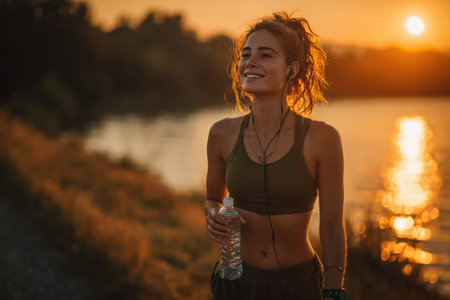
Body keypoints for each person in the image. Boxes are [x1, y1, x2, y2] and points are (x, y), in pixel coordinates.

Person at [204, 11, 346, 300]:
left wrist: (334, 287)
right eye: (246, 54)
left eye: (265, 55)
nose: (250, 62)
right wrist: (213, 215)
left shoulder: (322, 138)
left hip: (297, 284)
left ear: (291, 69)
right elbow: (212, 199)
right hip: (234, 279)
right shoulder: (222, 133)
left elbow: (331, 226)